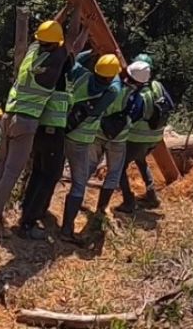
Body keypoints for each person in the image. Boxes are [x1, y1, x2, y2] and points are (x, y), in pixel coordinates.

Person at [0, 19, 72, 234]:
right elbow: (70, 43)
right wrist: (77, 8)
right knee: (12, 173)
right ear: (55, 44)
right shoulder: (54, 63)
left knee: (3, 167)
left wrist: (69, 7)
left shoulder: (32, 52)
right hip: (26, 122)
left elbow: (52, 29)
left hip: (8, 115)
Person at [59, 53, 123, 243]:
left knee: (52, 174)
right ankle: (67, 230)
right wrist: (117, 58)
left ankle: (38, 213)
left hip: (63, 132)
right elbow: (117, 81)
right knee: (78, 185)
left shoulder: (81, 75)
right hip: (81, 141)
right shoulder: (110, 92)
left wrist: (93, 53)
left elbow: (77, 59)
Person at [15, 39, 74, 240]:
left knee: (39, 172)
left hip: (40, 132)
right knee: (50, 175)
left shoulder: (41, 68)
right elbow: (71, 44)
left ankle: (29, 208)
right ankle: (28, 222)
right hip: (52, 134)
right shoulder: (55, 82)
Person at [88, 64, 145, 230]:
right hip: (118, 138)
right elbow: (136, 116)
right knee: (114, 173)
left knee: (89, 166)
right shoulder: (136, 96)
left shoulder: (113, 85)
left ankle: (76, 200)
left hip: (98, 133)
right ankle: (101, 209)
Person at [118, 55, 174, 214]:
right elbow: (170, 105)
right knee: (141, 161)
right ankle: (151, 195)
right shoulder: (157, 86)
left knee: (119, 167)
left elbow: (131, 116)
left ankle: (128, 201)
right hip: (154, 138)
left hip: (137, 138)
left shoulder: (139, 94)